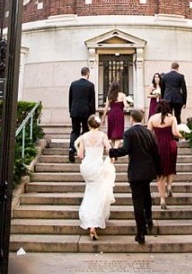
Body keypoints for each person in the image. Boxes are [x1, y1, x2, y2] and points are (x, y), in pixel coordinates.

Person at [108, 108, 161, 245]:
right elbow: (156, 152)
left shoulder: (129, 133)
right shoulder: (149, 133)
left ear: (132, 118)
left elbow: (125, 150)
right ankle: (148, 218)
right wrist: (159, 171)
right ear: (142, 119)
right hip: (148, 170)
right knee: (147, 194)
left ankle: (141, 232)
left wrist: (111, 152)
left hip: (136, 171)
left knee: (137, 201)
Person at [75, 114, 116, 242]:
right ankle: (94, 221)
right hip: (98, 166)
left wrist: (78, 150)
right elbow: (110, 150)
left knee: (91, 190)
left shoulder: (84, 137)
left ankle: (90, 221)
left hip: (87, 167)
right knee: (98, 192)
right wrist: (111, 160)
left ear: (88, 124)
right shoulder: (103, 136)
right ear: (99, 125)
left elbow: (81, 155)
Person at [147, 100, 181, 209]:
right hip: (170, 144)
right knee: (170, 166)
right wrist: (183, 135)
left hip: (157, 146)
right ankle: (169, 186)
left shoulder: (152, 118)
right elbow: (175, 133)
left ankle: (162, 199)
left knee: (159, 172)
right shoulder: (172, 118)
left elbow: (148, 134)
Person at [68, 67, 96, 163]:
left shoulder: (73, 84)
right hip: (86, 112)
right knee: (85, 131)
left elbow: (70, 99)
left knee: (75, 131)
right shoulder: (90, 85)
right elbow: (92, 101)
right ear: (87, 74)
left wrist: (70, 111)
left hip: (74, 111)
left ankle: (72, 149)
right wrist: (93, 115)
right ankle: (82, 150)